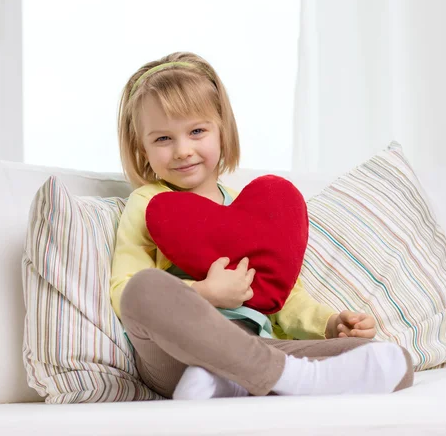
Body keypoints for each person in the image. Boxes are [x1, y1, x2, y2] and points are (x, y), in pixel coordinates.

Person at [110, 51, 413, 400]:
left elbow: (284, 296)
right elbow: (123, 291)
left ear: (222, 131)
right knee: (142, 288)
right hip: (175, 358)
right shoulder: (147, 203)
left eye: (196, 131)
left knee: (392, 361)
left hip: (256, 343)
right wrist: (205, 293)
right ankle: (287, 378)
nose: (182, 150)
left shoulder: (254, 209)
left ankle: (231, 381)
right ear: (141, 148)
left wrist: (329, 324)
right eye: (163, 139)